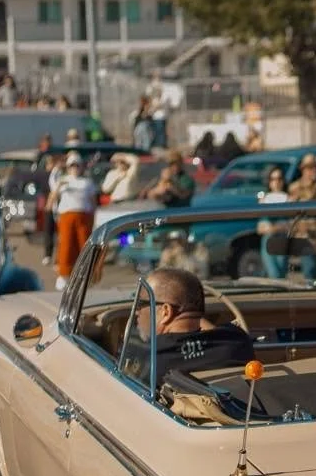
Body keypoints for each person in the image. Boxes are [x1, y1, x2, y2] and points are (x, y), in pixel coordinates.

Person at [121, 267, 256, 388]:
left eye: (141, 303)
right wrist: (194, 316)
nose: (137, 312)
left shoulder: (149, 356)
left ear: (165, 311)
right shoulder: (238, 341)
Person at [46, 153, 96, 291]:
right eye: (72, 166)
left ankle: (84, 276)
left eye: (77, 165)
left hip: (84, 215)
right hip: (67, 215)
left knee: (84, 245)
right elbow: (52, 198)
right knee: (66, 245)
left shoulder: (87, 182)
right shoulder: (63, 180)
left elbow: (93, 201)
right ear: (68, 167)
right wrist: (58, 186)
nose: (74, 168)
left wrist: (94, 216)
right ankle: (64, 275)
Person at [286, 155, 316, 279]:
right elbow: (291, 213)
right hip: (306, 238)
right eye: (310, 168)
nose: (314, 171)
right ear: (303, 170)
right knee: (310, 273)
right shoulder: (295, 188)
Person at [256, 168, 293, 277]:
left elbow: (291, 226)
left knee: (280, 275)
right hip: (268, 240)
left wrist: (274, 228)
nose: (276, 182)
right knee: (274, 274)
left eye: (279, 178)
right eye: (273, 179)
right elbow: (259, 228)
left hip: (282, 241)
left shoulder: (289, 199)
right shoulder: (264, 200)